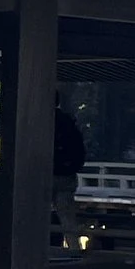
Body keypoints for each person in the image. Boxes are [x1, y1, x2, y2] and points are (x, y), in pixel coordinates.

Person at [51, 97, 86, 254]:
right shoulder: (69, 123)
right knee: (67, 219)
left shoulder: (38, 122)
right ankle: (74, 252)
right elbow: (80, 152)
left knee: (36, 215)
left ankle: (36, 251)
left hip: (42, 175)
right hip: (66, 177)